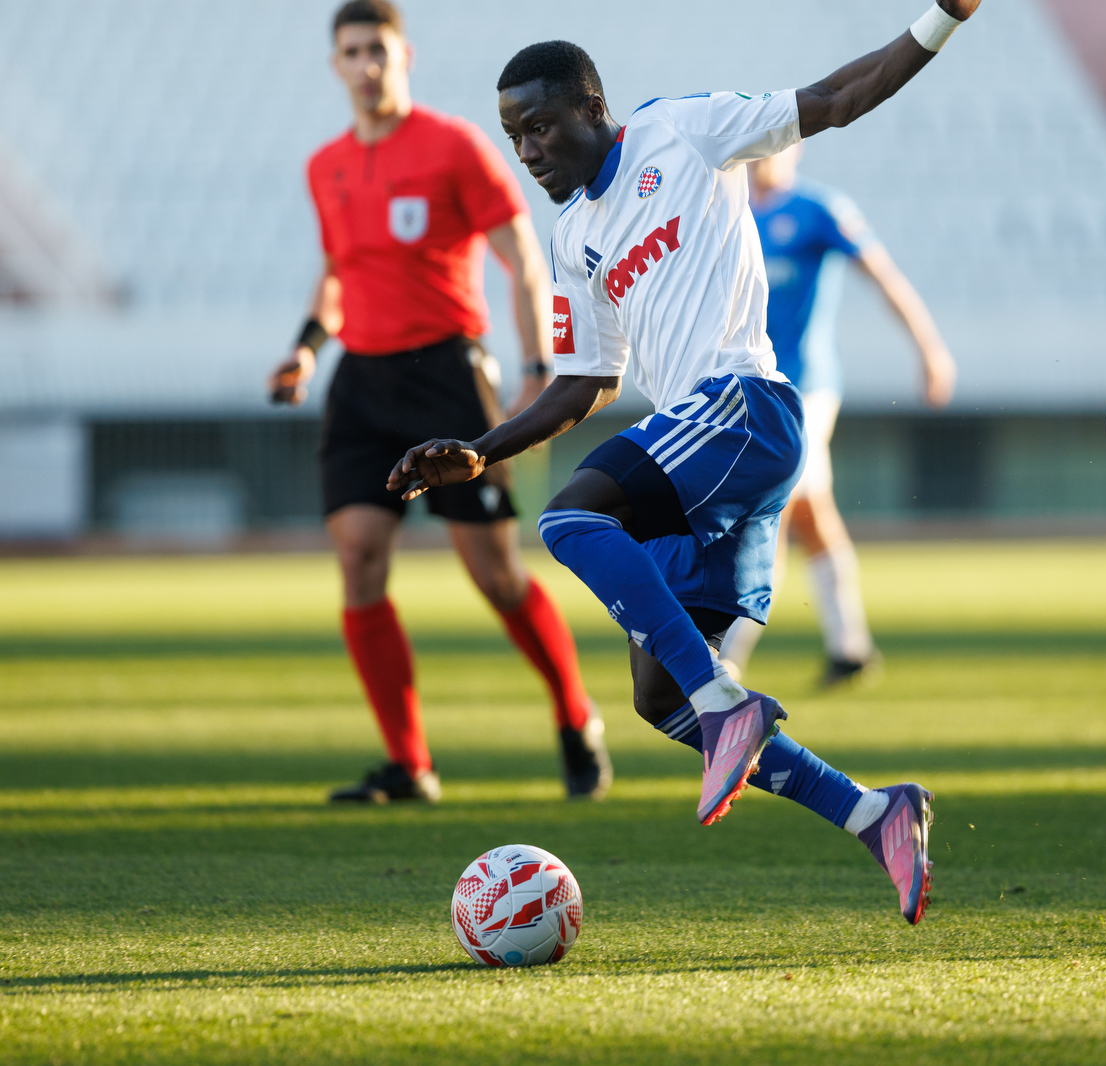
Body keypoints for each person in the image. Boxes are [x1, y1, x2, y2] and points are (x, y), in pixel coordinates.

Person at [389, 1, 983, 924]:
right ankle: (876, 813)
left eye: (541, 126)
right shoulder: (572, 238)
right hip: (707, 451)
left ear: (594, 108)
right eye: (514, 136)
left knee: (571, 520)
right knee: (658, 696)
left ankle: (727, 703)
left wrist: (943, 18)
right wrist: (482, 448)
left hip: (744, 407)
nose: (529, 150)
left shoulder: (684, 130)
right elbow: (584, 379)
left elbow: (835, 97)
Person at [268, 0, 609, 804]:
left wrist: (535, 365)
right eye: (351, 52)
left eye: (378, 50)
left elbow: (521, 255)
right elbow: (337, 274)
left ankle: (574, 715)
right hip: (362, 380)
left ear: (403, 55)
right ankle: (409, 764)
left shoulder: (453, 146)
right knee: (358, 560)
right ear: (336, 64)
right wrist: (306, 350)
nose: (366, 65)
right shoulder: (327, 166)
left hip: (448, 378)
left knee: (493, 574)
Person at [716, 144, 955, 687]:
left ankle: (727, 659)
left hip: (808, 387)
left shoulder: (819, 209)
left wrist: (930, 349)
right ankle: (850, 649)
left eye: (776, 147)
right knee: (807, 511)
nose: (764, 158)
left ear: (795, 151)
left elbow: (883, 274)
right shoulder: (730, 214)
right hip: (754, 389)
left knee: (771, 506)